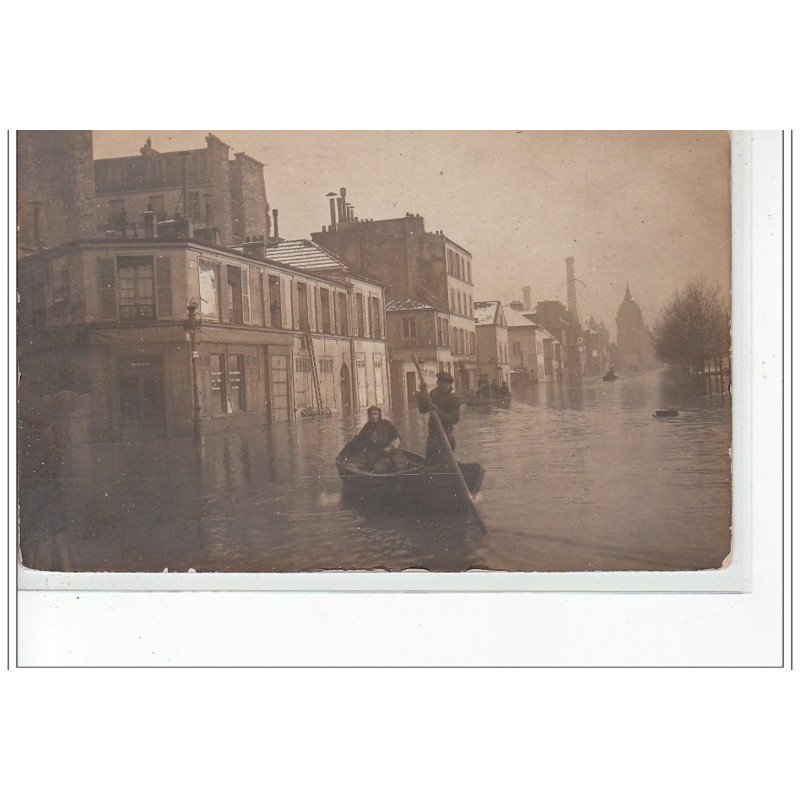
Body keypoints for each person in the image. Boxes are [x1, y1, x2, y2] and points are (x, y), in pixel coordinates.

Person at [418, 371, 461, 464]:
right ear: (438, 383)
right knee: (430, 464)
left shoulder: (453, 398)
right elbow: (422, 409)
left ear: (450, 384)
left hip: (446, 437)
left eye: (446, 383)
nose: (443, 385)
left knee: (444, 465)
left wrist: (438, 413)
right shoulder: (433, 394)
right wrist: (422, 393)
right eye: (441, 382)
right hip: (432, 438)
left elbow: (454, 419)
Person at [349, 406, 408, 473]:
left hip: (389, 449)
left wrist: (391, 447)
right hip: (375, 452)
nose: (373, 416)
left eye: (375, 414)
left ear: (379, 415)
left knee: (401, 464)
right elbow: (361, 439)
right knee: (378, 468)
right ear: (368, 416)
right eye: (371, 414)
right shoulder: (367, 426)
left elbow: (397, 437)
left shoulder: (386, 424)